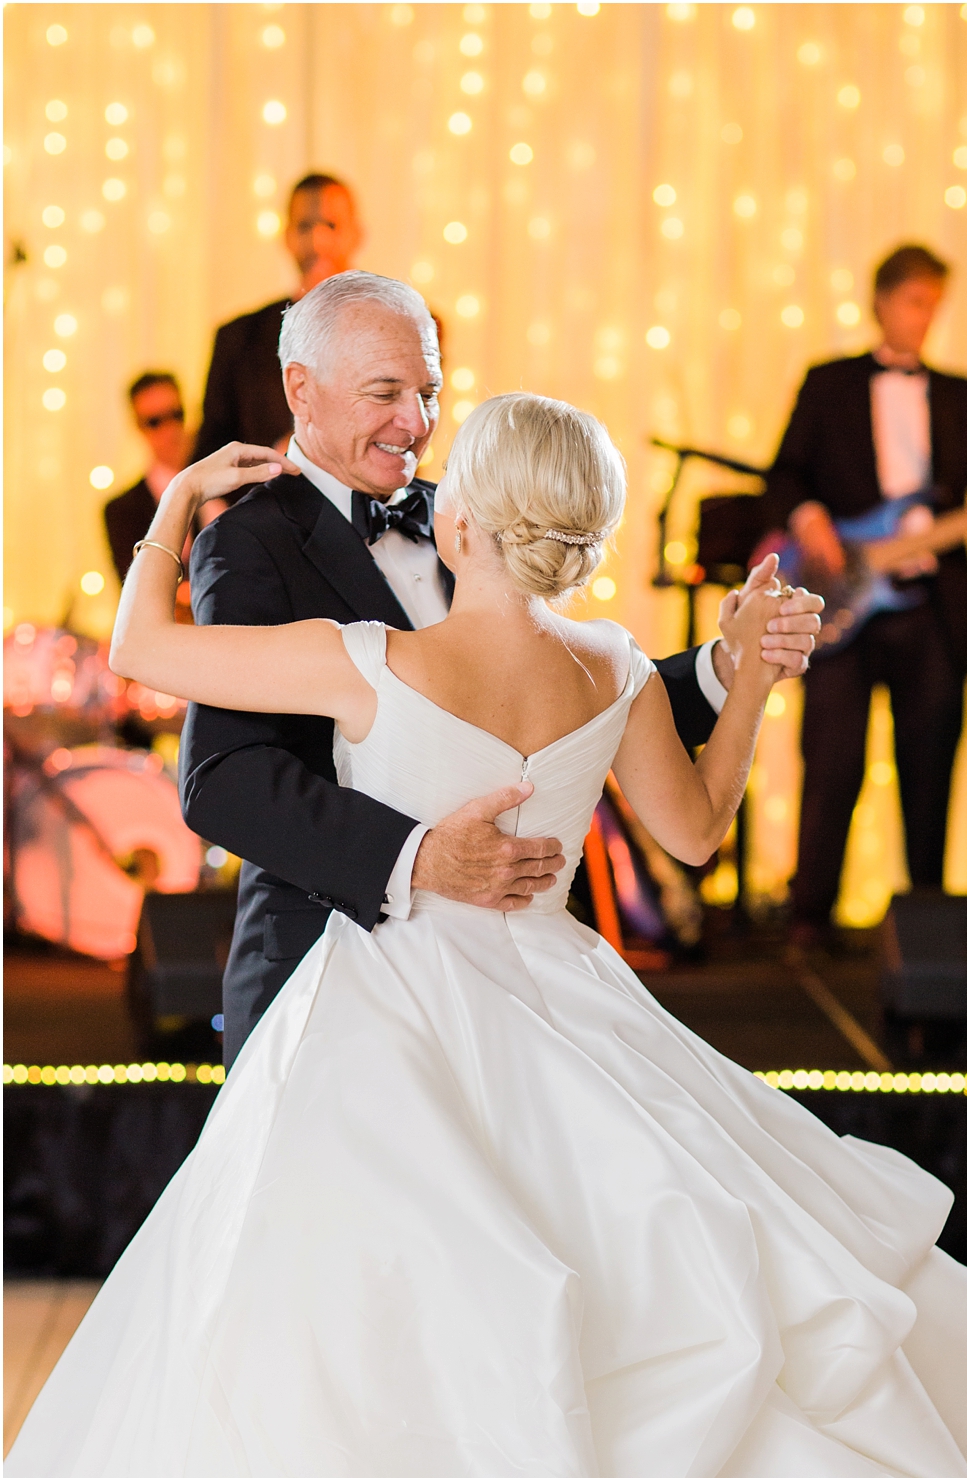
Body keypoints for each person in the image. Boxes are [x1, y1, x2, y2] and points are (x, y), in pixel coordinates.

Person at [6, 397, 967, 1478]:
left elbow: (143, 648)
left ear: (460, 522)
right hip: (572, 1007)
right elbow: (698, 833)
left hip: (391, 1006)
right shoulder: (616, 667)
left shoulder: (368, 662)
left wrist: (178, 506)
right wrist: (749, 682)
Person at [177, 272, 823, 1068]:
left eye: (429, 391)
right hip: (326, 978)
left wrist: (727, 666)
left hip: (513, 996)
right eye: (385, 393)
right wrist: (417, 857)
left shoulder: (474, 505)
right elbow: (224, 779)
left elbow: (570, 695)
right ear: (300, 390)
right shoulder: (247, 544)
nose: (416, 423)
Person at [761, 245, 967, 946]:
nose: (925, 318)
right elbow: (784, 474)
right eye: (915, 302)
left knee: (930, 765)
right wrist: (810, 519)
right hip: (844, 599)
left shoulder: (966, 397)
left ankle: (928, 930)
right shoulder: (828, 384)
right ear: (882, 301)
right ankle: (810, 918)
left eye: (934, 305)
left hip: (932, 608)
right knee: (832, 760)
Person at [192, 173, 363, 460]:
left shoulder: (403, 332)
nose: (317, 241)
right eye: (305, 226)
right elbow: (209, 454)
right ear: (287, 236)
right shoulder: (238, 339)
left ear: (356, 234)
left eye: (331, 225)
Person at [103, 372, 193, 584]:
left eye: (176, 415)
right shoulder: (122, 511)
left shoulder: (225, 483)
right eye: (155, 422)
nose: (170, 430)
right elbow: (136, 589)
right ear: (138, 426)